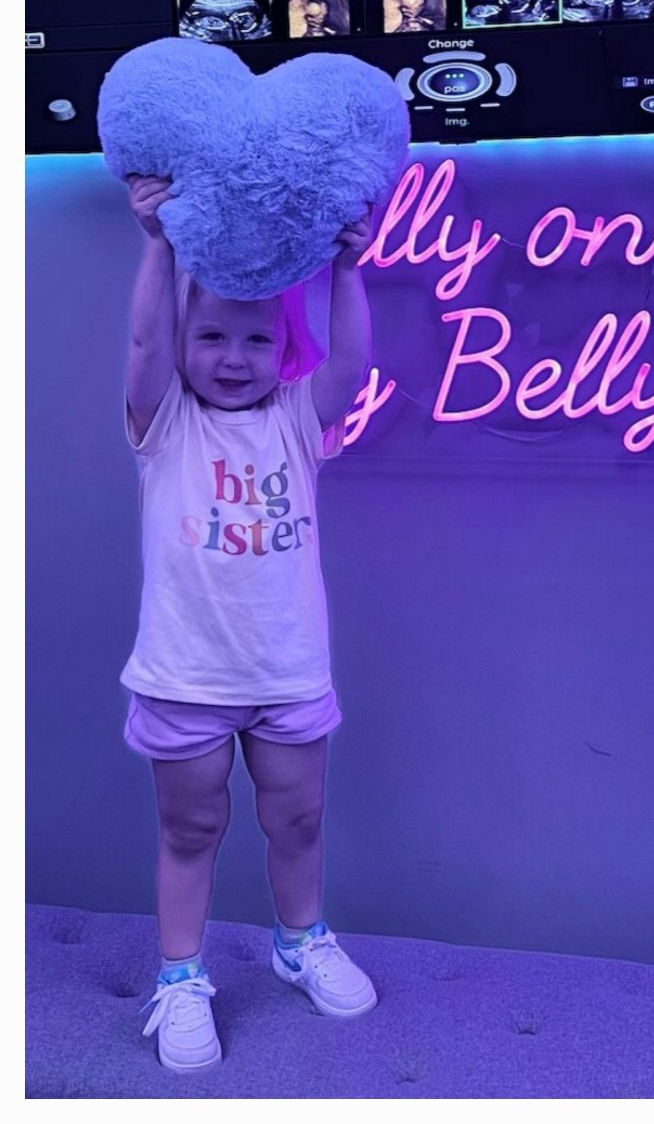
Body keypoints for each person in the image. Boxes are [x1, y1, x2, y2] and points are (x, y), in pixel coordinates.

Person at [123, 173, 379, 1073]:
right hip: (185, 678)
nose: (234, 356)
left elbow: (350, 367)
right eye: (214, 336)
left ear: (283, 350)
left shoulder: (296, 422)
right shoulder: (162, 427)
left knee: (299, 819)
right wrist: (159, 246)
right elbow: (148, 339)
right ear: (190, 343)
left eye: (257, 338)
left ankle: (299, 941)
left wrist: (349, 269)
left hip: (286, 676)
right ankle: (182, 977)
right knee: (191, 829)